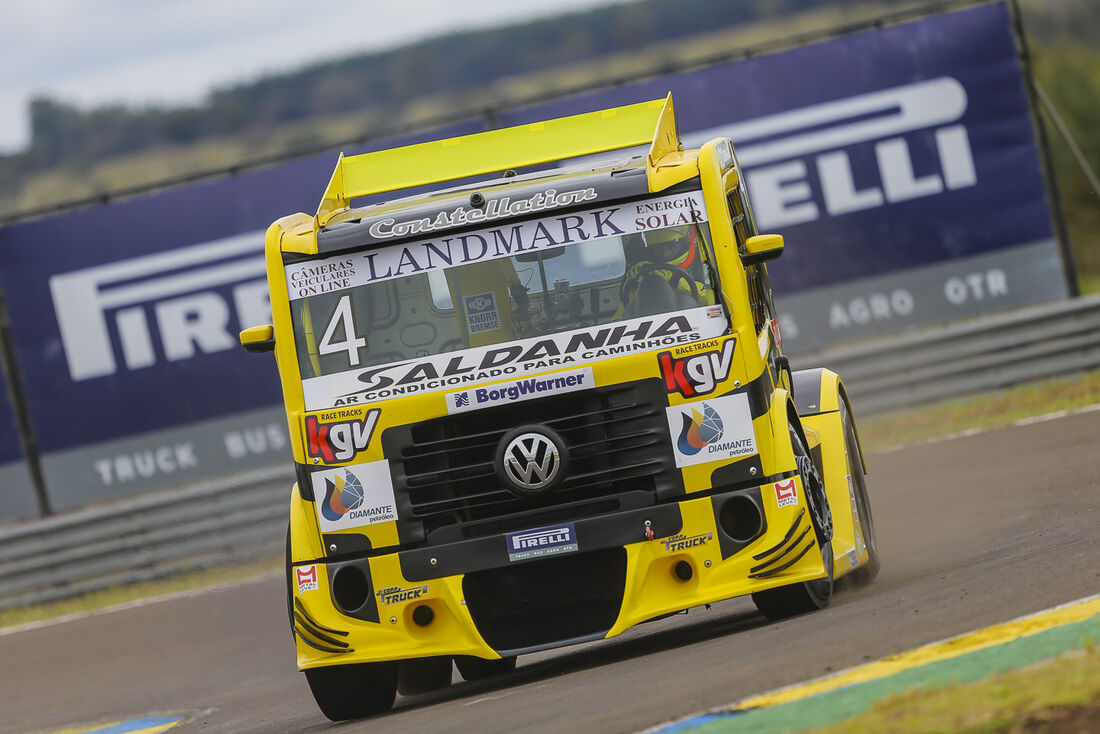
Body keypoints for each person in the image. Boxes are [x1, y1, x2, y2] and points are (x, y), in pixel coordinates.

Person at [619, 226, 713, 314]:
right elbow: (621, 315)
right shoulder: (644, 271)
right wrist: (636, 283)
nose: (666, 254)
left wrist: (676, 282)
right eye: (658, 248)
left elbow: (711, 300)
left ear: (684, 243)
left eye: (671, 246)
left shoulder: (705, 258)